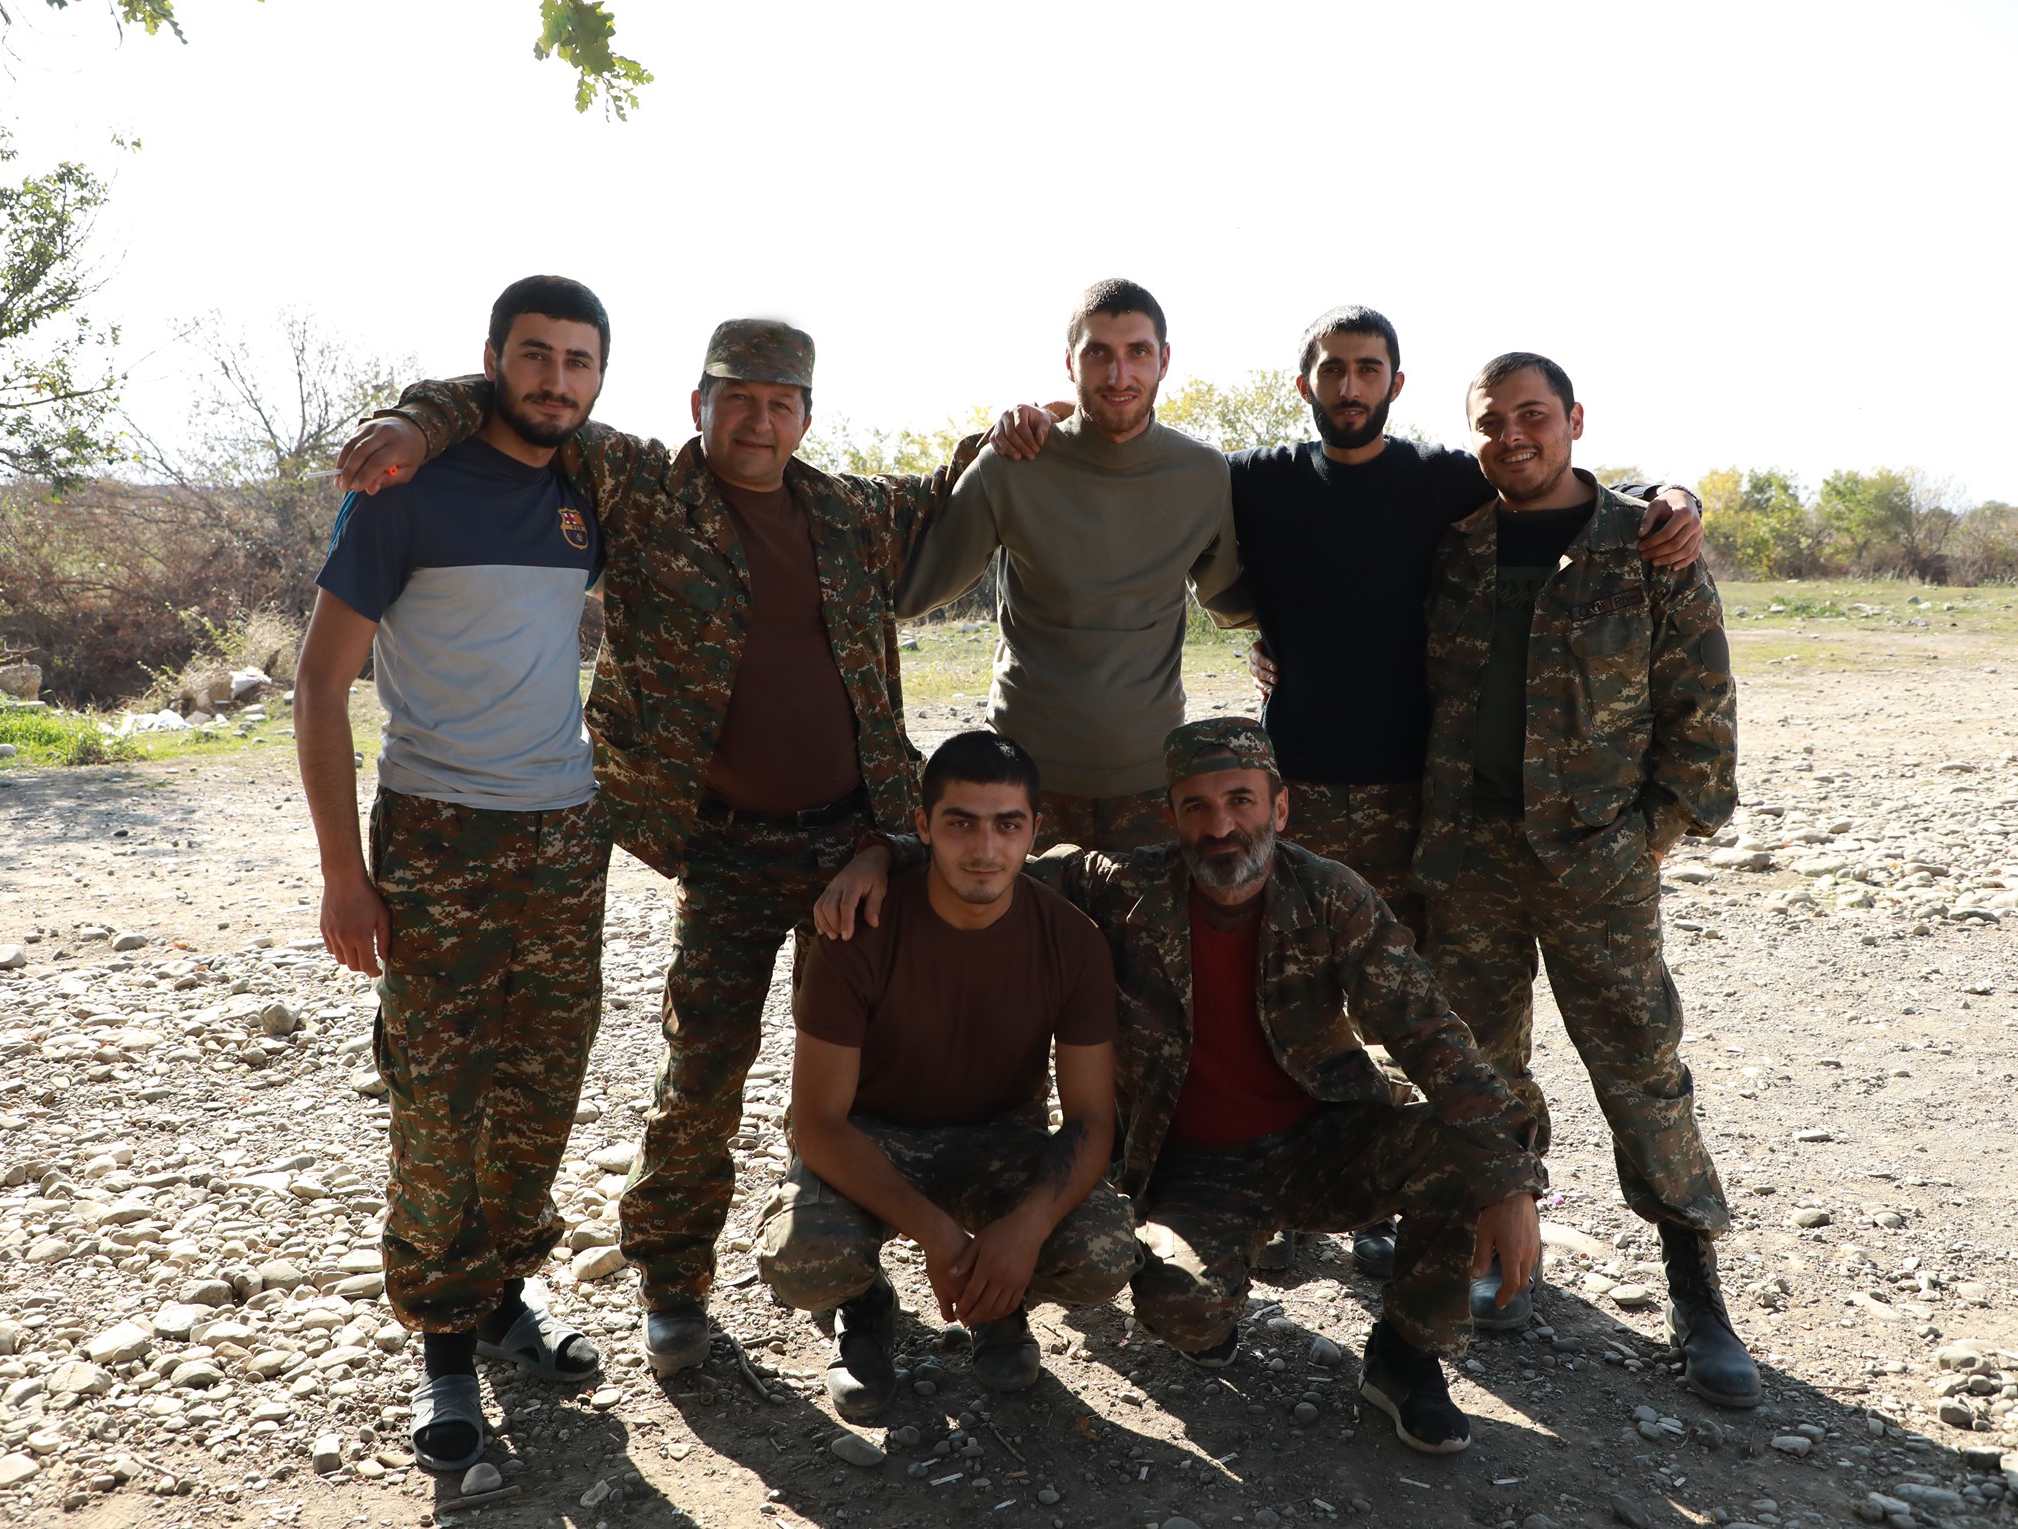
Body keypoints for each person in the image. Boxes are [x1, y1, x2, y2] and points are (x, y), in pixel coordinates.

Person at [988, 305, 1701, 1278]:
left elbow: (1559, 484)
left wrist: (1669, 493)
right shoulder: (1254, 480)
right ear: (1306, 384)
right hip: (1296, 798)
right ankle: (1299, 1190)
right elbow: (1136, 460)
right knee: (1290, 1006)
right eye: (1333, 369)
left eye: (1368, 369)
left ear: (1395, 384)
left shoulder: (1442, 479)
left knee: (1426, 1012)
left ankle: (1465, 1209)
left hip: (1422, 805)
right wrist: (1034, 421)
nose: (1351, 386)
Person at [332, 320, 976, 1379]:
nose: (758, 422)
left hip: (851, 848)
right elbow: (525, 396)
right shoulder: (640, 489)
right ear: (698, 405)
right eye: (737, 399)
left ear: (806, 417)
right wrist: (414, 418)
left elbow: (961, 486)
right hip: (719, 846)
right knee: (702, 1071)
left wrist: (1020, 429)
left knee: (856, 1075)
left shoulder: (852, 512)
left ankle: (850, 1279)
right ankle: (674, 1277)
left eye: (780, 403)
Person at [817, 719, 1546, 1454]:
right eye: (1197, 806)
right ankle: (1221, 1288)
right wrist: (880, 854)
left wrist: (1510, 1184)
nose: (1221, 826)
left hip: (1327, 1143)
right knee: (1182, 1309)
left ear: (1280, 808)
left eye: (1241, 800)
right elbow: (987, 853)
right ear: (1170, 817)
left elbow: (1434, 1036)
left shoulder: (1332, 898)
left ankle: (1407, 1355)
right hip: (1193, 1167)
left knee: (1469, 1150)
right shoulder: (1122, 888)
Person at [297, 275, 613, 1473]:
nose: (555, 380)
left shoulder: (589, 490)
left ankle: (501, 1297)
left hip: (564, 834)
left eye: (577, 361)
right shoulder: (405, 487)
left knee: (540, 1087)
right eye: (535, 355)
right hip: (438, 836)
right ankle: (442, 1342)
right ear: (493, 361)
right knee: (438, 1100)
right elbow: (319, 683)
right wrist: (343, 872)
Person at [1410, 351, 1756, 1406]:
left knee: (1640, 1068)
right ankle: (1497, 1252)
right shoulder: (1455, 547)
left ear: (1573, 419)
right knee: (1481, 1063)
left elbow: (1701, 709)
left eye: (1532, 415)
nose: (1511, 436)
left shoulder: (1645, 542)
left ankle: (1696, 1289)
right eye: (1490, 421)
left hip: (1596, 857)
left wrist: (1647, 835)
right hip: (1471, 853)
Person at [755, 731, 1137, 1420]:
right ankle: (862, 1303)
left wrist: (1025, 1229)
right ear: (924, 826)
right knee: (803, 1257)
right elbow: (817, 1122)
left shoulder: (1072, 940)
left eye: (1007, 825)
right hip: (872, 1136)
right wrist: (937, 1233)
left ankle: (999, 1299)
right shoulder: (858, 931)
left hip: (999, 1135)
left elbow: (1090, 1119)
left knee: (1101, 1252)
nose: (985, 848)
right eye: (961, 823)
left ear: (1034, 831)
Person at [894, 277, 1255, 853]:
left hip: (1152, 780)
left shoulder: (1204, 474)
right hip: (1024, 781)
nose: (1119, 375)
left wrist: (1294, 638)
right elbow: (913, 593)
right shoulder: (1011, 465)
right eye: (1098, 353)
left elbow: (1232, 602)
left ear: (1164, 360)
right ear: (1070, 362)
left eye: (1138, 352)